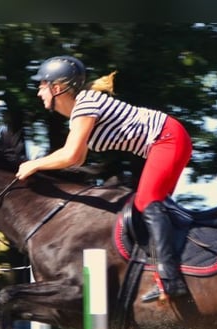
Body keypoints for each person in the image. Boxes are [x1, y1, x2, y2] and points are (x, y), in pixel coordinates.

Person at [16, 55, 192, 303]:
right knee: (152, 207)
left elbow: (70, 155)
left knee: (147, 202)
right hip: (167, 139)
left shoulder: (85, 106)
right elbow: (76, 159)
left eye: (42, 85)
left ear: (57, 88)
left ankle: (170, 281)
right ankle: (178, 269)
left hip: (167, 139)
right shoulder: (82, 110)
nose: (38, 92)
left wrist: (34, 164)